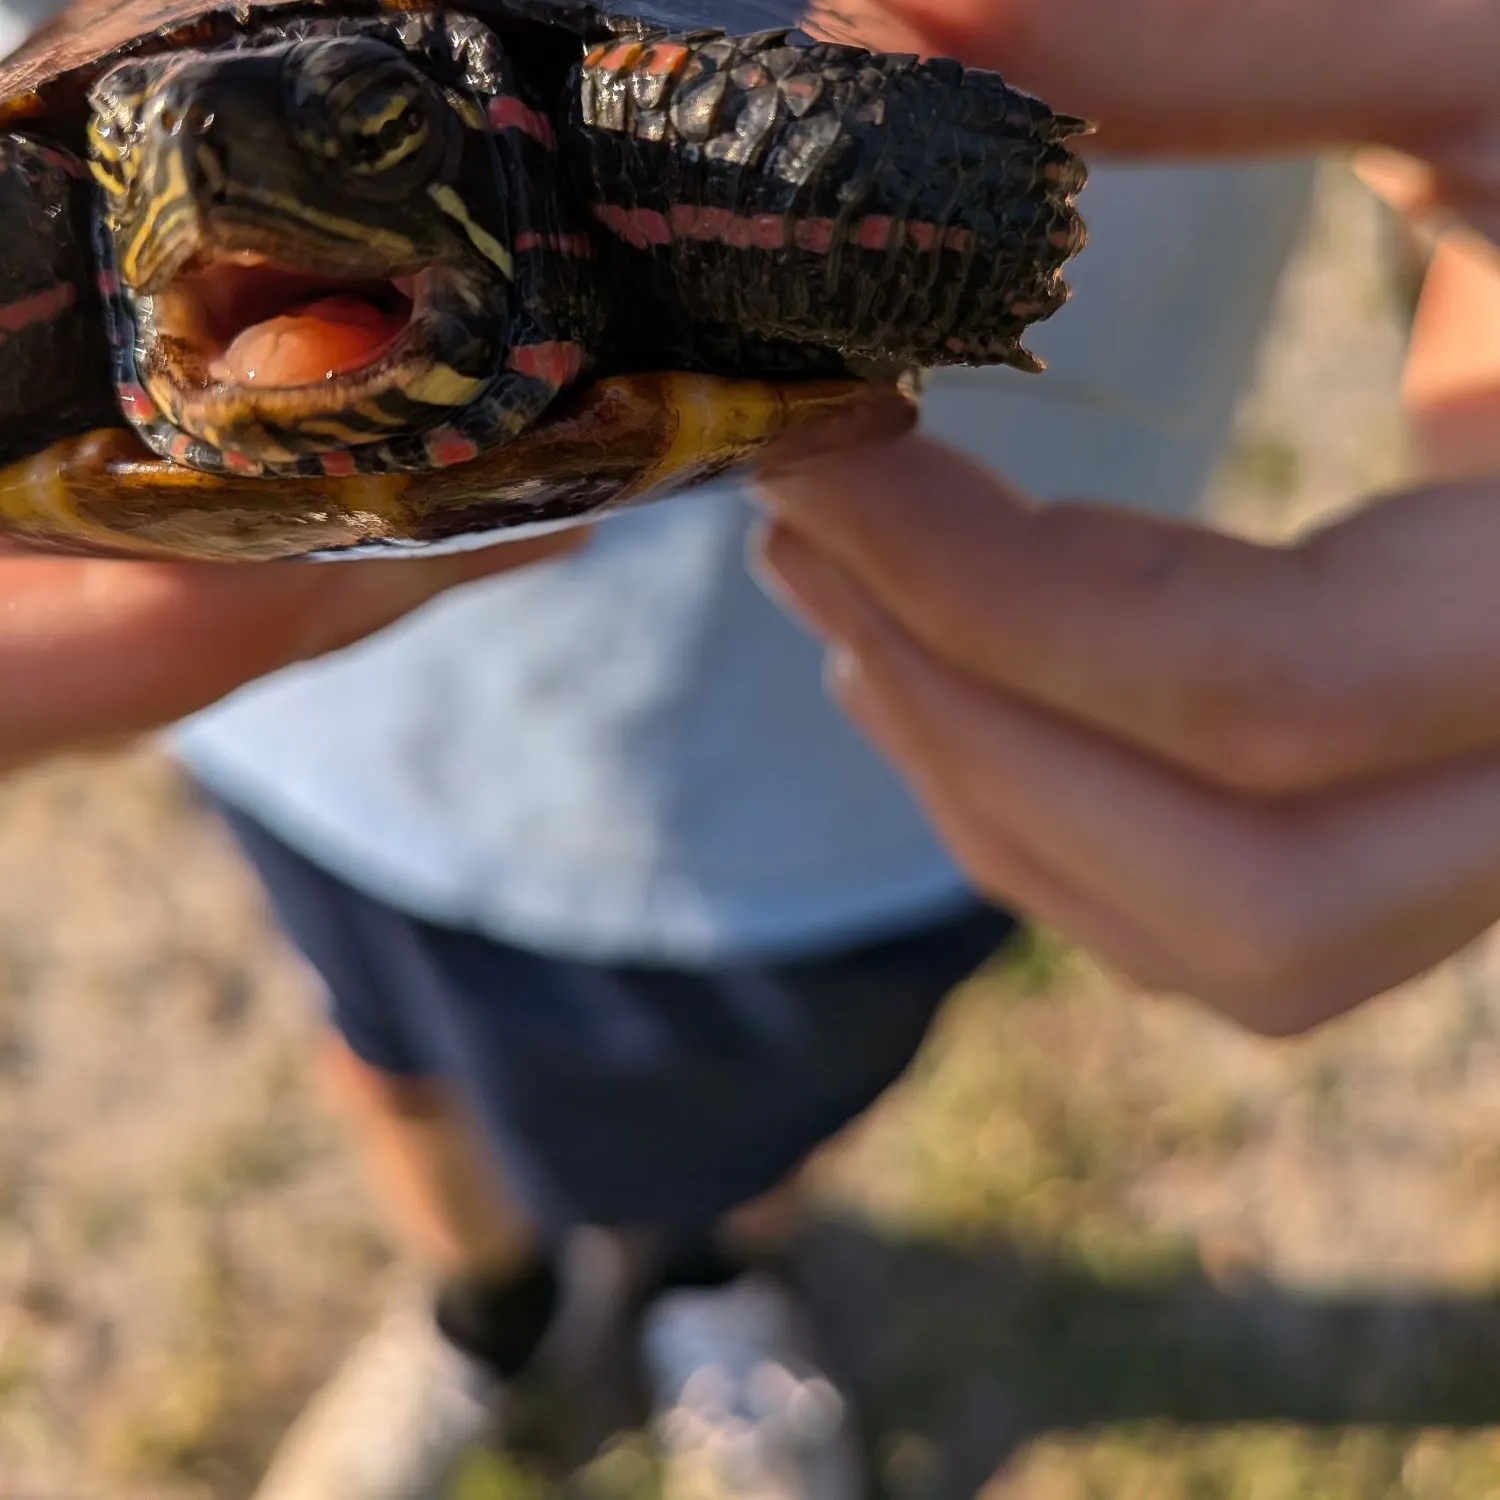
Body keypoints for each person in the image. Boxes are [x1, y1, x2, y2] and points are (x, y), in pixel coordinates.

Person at [0, 5, 1487, 1500]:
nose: (201, 173)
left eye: (370, 144)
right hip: (298, 741)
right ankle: (484, 1312)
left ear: (491, 145)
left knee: (774, 1089)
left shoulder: (601, 155)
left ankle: (716, 1287)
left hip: (847, 776)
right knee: (388, 1047)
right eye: (148, 178)